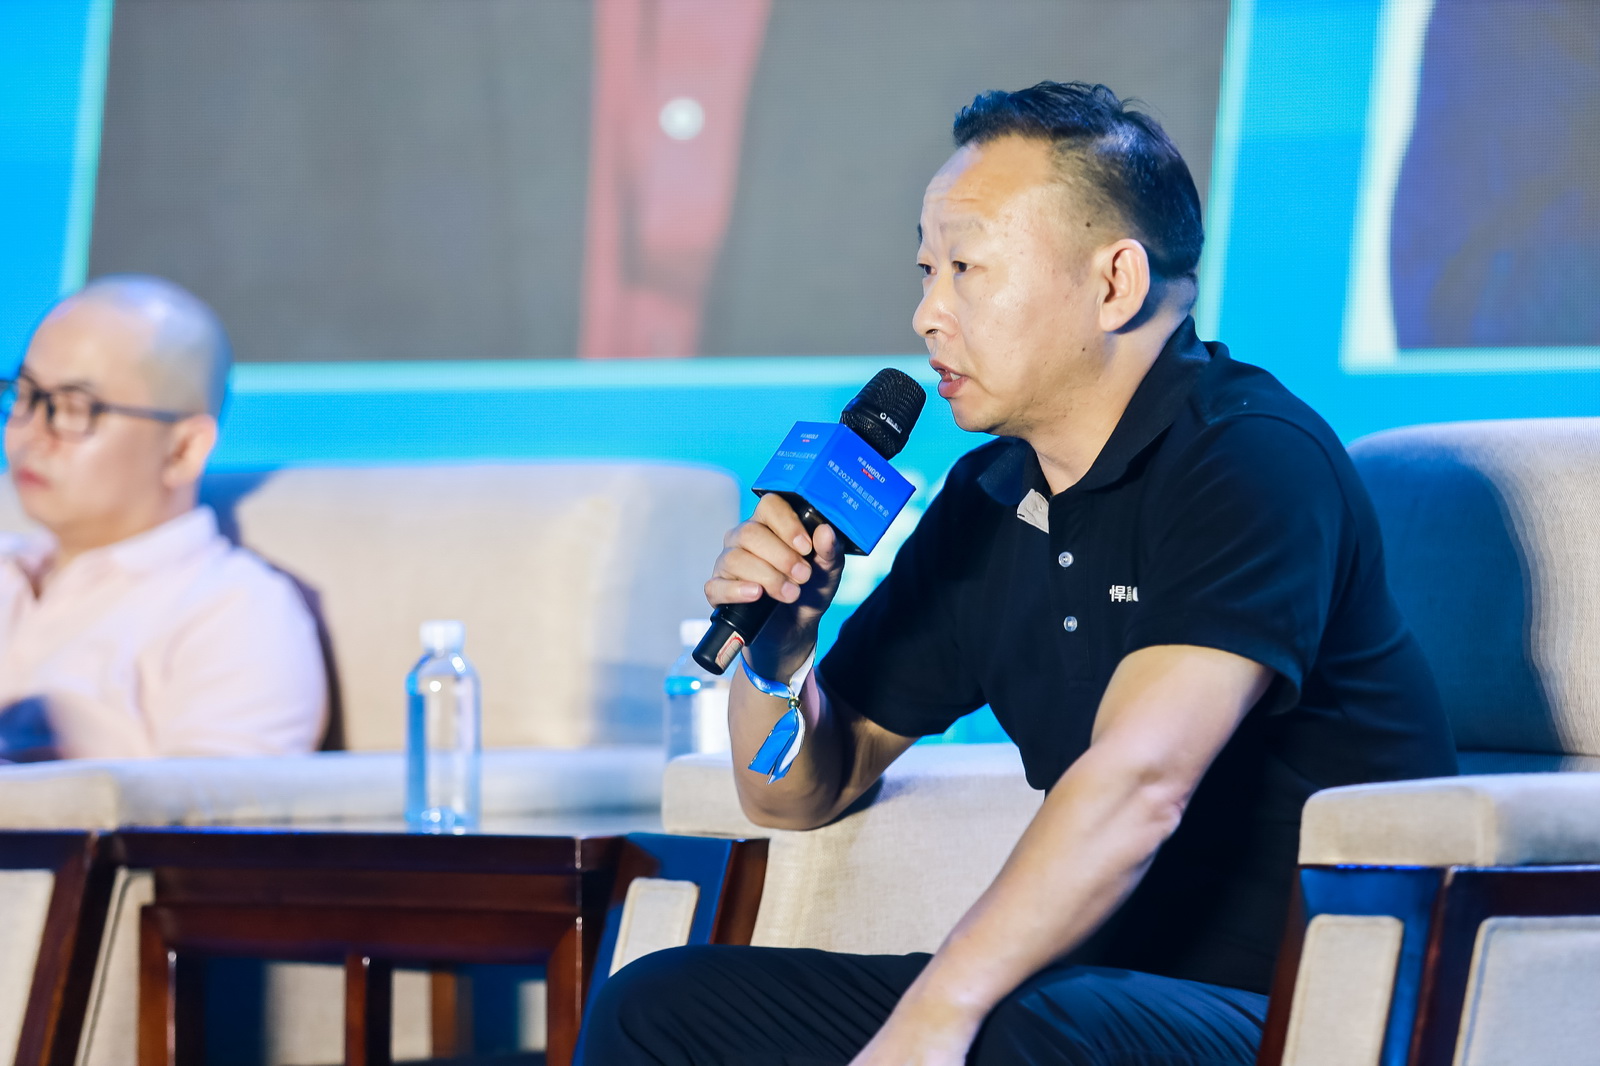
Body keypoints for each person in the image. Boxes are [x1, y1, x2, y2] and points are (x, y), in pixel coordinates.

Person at [582, 82, 1458, 1065]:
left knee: (1010, 1027)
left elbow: (1139, 783)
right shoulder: (993, 495)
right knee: (659, 1005)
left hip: (1297, 1008)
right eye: (926, 272)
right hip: (1081, 1004)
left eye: (967, 269)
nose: (927, 314)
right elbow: (796, 795)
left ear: (1115, 283)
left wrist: (934, 1015)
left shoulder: (1250, 460)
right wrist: (778, 659)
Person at [0, 275, 327, 760]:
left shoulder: (233, 612)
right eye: (25, 395)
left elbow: (221, 805)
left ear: (184, 449)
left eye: (73, 408)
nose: (31, 434)